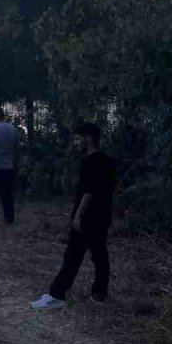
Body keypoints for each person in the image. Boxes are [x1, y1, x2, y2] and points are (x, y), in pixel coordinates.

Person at [32, 122, 117, 309]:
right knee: (99, 255)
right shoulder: (108, 160)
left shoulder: (90, 162)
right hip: (103, 214)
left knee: (73, 255)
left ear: (89, 138)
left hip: (88, 216)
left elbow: (89, 192)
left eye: (78, 138)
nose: (76, 142)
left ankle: (57, 295)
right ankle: (100, 293)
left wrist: (78, 215)